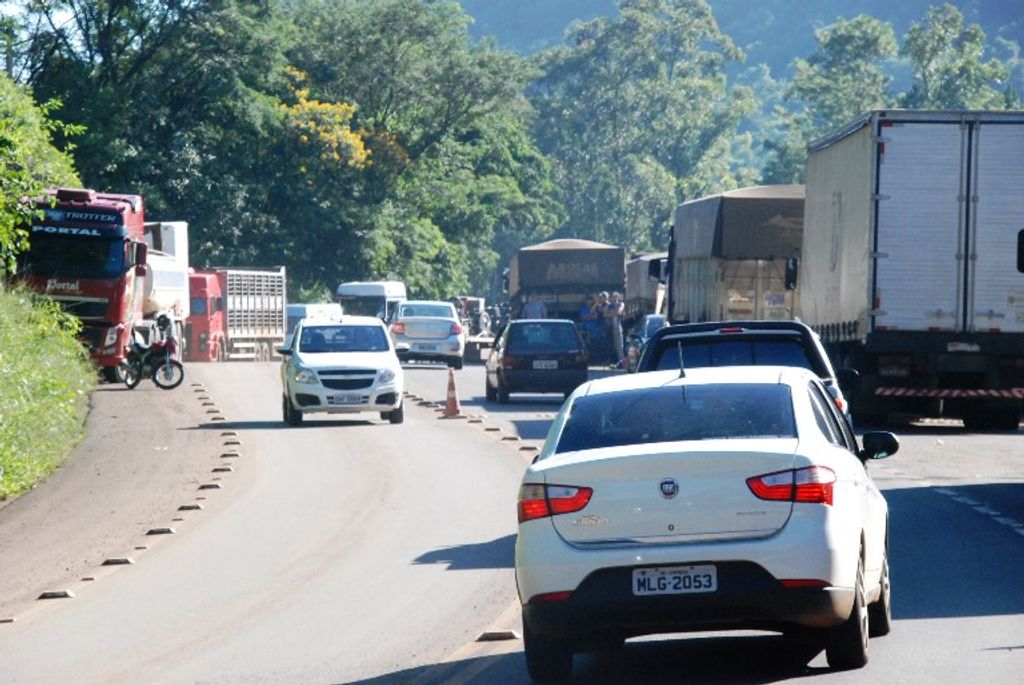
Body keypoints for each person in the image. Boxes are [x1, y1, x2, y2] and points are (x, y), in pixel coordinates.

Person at [604, 292, 625, 368]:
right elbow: (605, 314)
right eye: (612, 297)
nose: (613, 298)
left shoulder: (621, 304)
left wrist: (610, 312)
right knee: (610, 345)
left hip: (617, 326)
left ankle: (621, 361)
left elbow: (619, 312)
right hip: (609, 327)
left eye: (615, 297)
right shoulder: (608, 305)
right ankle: (611, 361)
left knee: (619, 344)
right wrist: (614, 312)